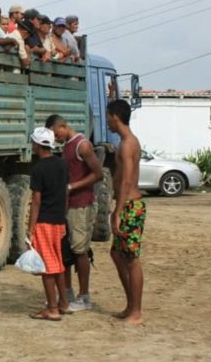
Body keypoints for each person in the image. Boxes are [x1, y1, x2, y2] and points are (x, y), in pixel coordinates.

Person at [46, 114, 104, 311]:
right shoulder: (67, 146)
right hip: (69, 206)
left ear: (62, 126)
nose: (55, 138)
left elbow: (98, 174)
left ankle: (84, 296)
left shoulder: (82, 145)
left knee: (80, 251)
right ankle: (68, 292)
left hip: (81, 205)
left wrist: (71, 187)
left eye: (55, 134)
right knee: (66, 252)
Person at [106, 99, 146, 325]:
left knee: (131, 259)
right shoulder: (125, 142)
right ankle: (131, 305)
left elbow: (126, 180)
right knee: (117, 254)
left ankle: (137, 311)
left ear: (115, 117)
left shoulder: (128, 144)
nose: (107, 121)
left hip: (130, 206)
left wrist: (118, 211)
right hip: (126, 206)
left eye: (108, 116)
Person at [27, 127, 70, 321]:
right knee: (58, 264)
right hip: (59, 221)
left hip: (44, 222)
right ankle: (64, 303)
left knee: (47, 267)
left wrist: (30, 228)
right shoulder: (62, 165)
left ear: (37, 144)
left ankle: (52, 308)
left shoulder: (38, 169)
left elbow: (36, 200)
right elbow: (65, 192)